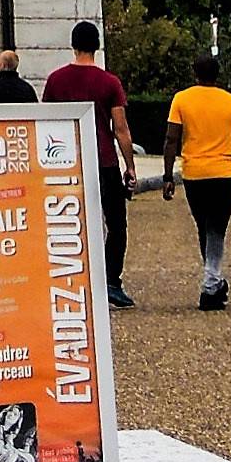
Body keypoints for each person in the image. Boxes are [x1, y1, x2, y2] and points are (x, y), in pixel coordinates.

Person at [45, 17, 139, 309]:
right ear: (97, 46)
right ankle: (111, 281)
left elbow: (48, 122)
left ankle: (73, 279)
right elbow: (120, 129)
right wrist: (130, 166)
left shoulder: (56, 80)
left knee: (74, 223)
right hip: (103, 159)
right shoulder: (109, 82)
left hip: (69, 161)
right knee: (116, 224)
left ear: (73, 46)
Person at [163, 53, 231, 307]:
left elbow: (171, 139)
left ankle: (213, 280)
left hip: (194, 173)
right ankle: (211, 283)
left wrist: (168, 175)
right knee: (216, 228)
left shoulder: (181, 99)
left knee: (204, 227)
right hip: (223, 173)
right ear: (218, 74)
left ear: (195, 73)